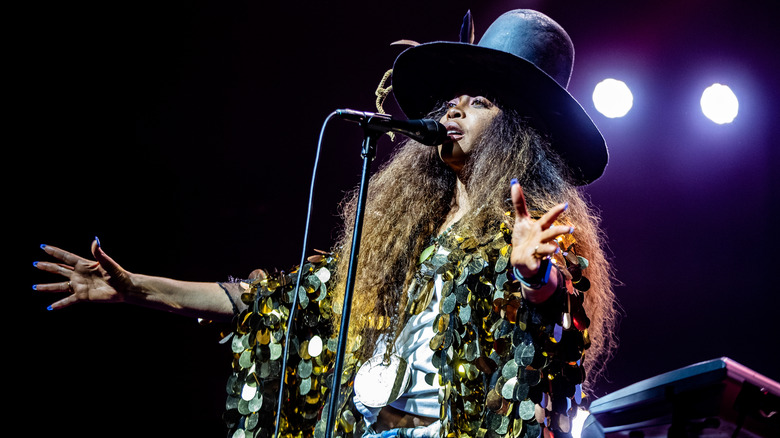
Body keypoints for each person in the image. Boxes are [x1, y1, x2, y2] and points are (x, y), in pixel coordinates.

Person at [34, 9, 617, 438]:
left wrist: (533, 277)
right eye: (454, 98)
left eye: (481, 102)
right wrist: (140, 289)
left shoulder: (535, 228)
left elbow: (555, 327)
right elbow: (283, 305)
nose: (454, 109)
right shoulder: (409, 235)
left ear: (517, 130)